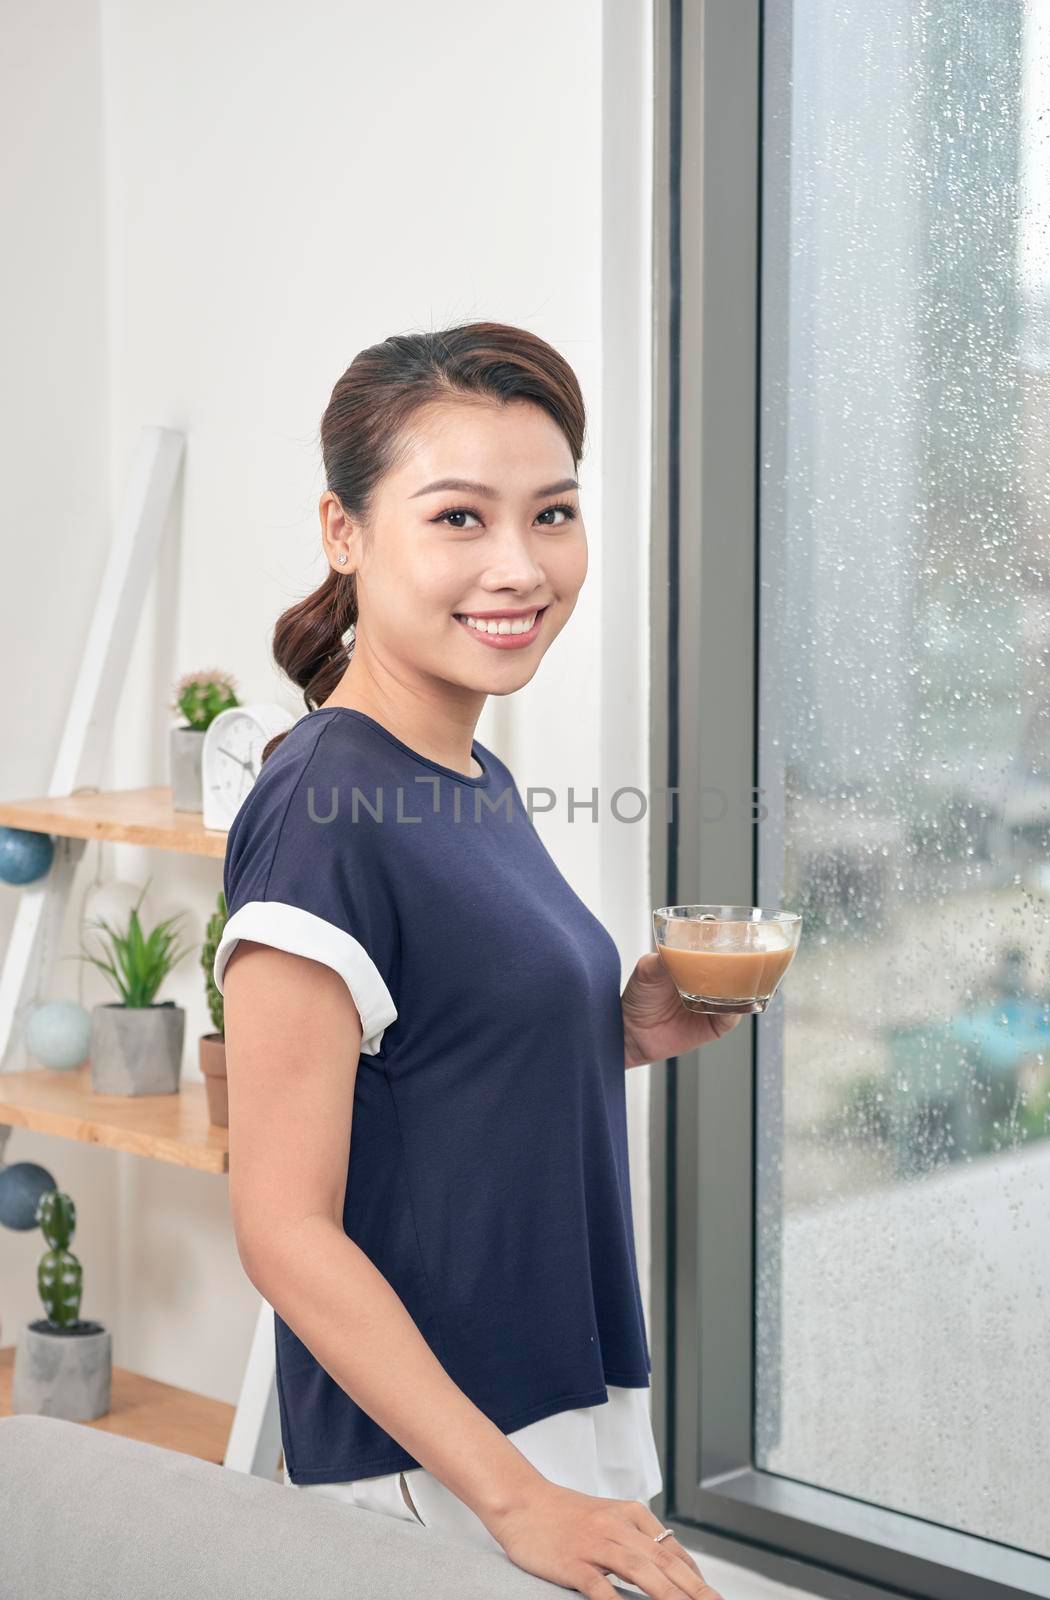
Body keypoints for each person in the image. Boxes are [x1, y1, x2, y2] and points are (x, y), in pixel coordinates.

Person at [214, 322, 740, 1600]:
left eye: (552, 512)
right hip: (448, 1461)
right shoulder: (319, 811)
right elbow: (283, 1229)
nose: (520, 564)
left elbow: (428, 1049)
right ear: (344, 532)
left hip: (552, 1403)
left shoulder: (465, 769)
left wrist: (615, 1026)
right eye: (459, 517)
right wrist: (514, 1501)